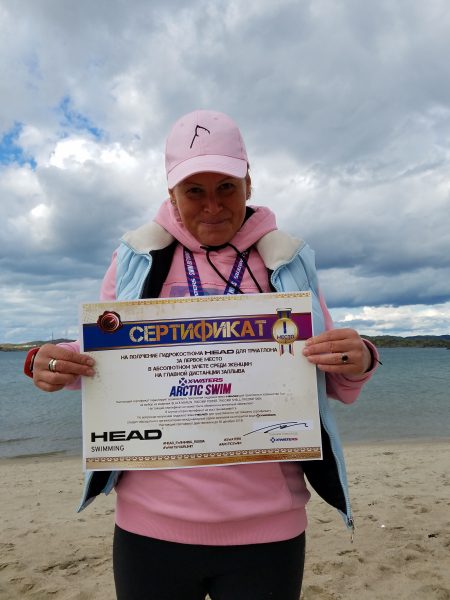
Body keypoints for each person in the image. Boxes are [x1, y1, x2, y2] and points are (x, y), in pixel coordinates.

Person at [25, 109, 379, 600]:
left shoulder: (288, 258)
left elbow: (335, 379)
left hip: (269, 528)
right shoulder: (136, 256)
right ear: (171, 193)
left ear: (248, 183)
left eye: (226, 187)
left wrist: (359, 358)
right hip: (150, 526)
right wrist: (54, 362)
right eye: (194, 190)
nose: (212, 206)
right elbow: (104, 355)